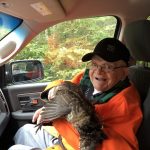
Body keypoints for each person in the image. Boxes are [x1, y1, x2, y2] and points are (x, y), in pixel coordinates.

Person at [9, 38, 143, 150]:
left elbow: (117, 146)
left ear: (125, 72)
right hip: (61, 137)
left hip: (73, 146)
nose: (98, 72)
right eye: (95, 64)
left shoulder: (125, 102)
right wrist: (54, 92)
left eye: (108, 67)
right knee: (24, 130)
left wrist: (58, 117)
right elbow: (64, 85)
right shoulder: (85, 79)